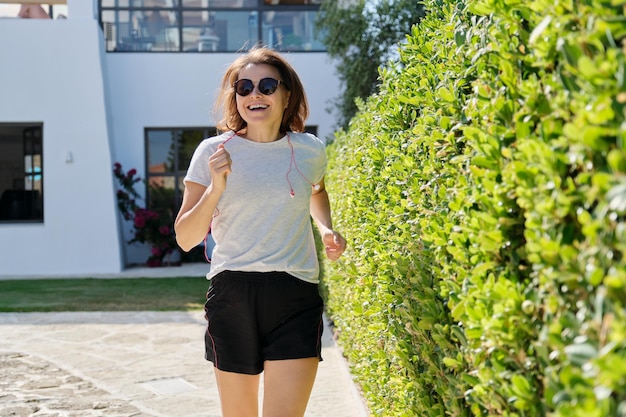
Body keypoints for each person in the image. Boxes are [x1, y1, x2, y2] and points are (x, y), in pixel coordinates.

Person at [174, 46, 347, 417]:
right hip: (232, 294)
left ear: (287, 95)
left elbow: (316, 190)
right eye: (244, 86)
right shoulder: (211, 152)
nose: (255, 94)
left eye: (268, 85)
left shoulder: (310, 150)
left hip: (295, 293)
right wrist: (215, 188)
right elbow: (186, 237)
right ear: (234, 97)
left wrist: (327, 227)